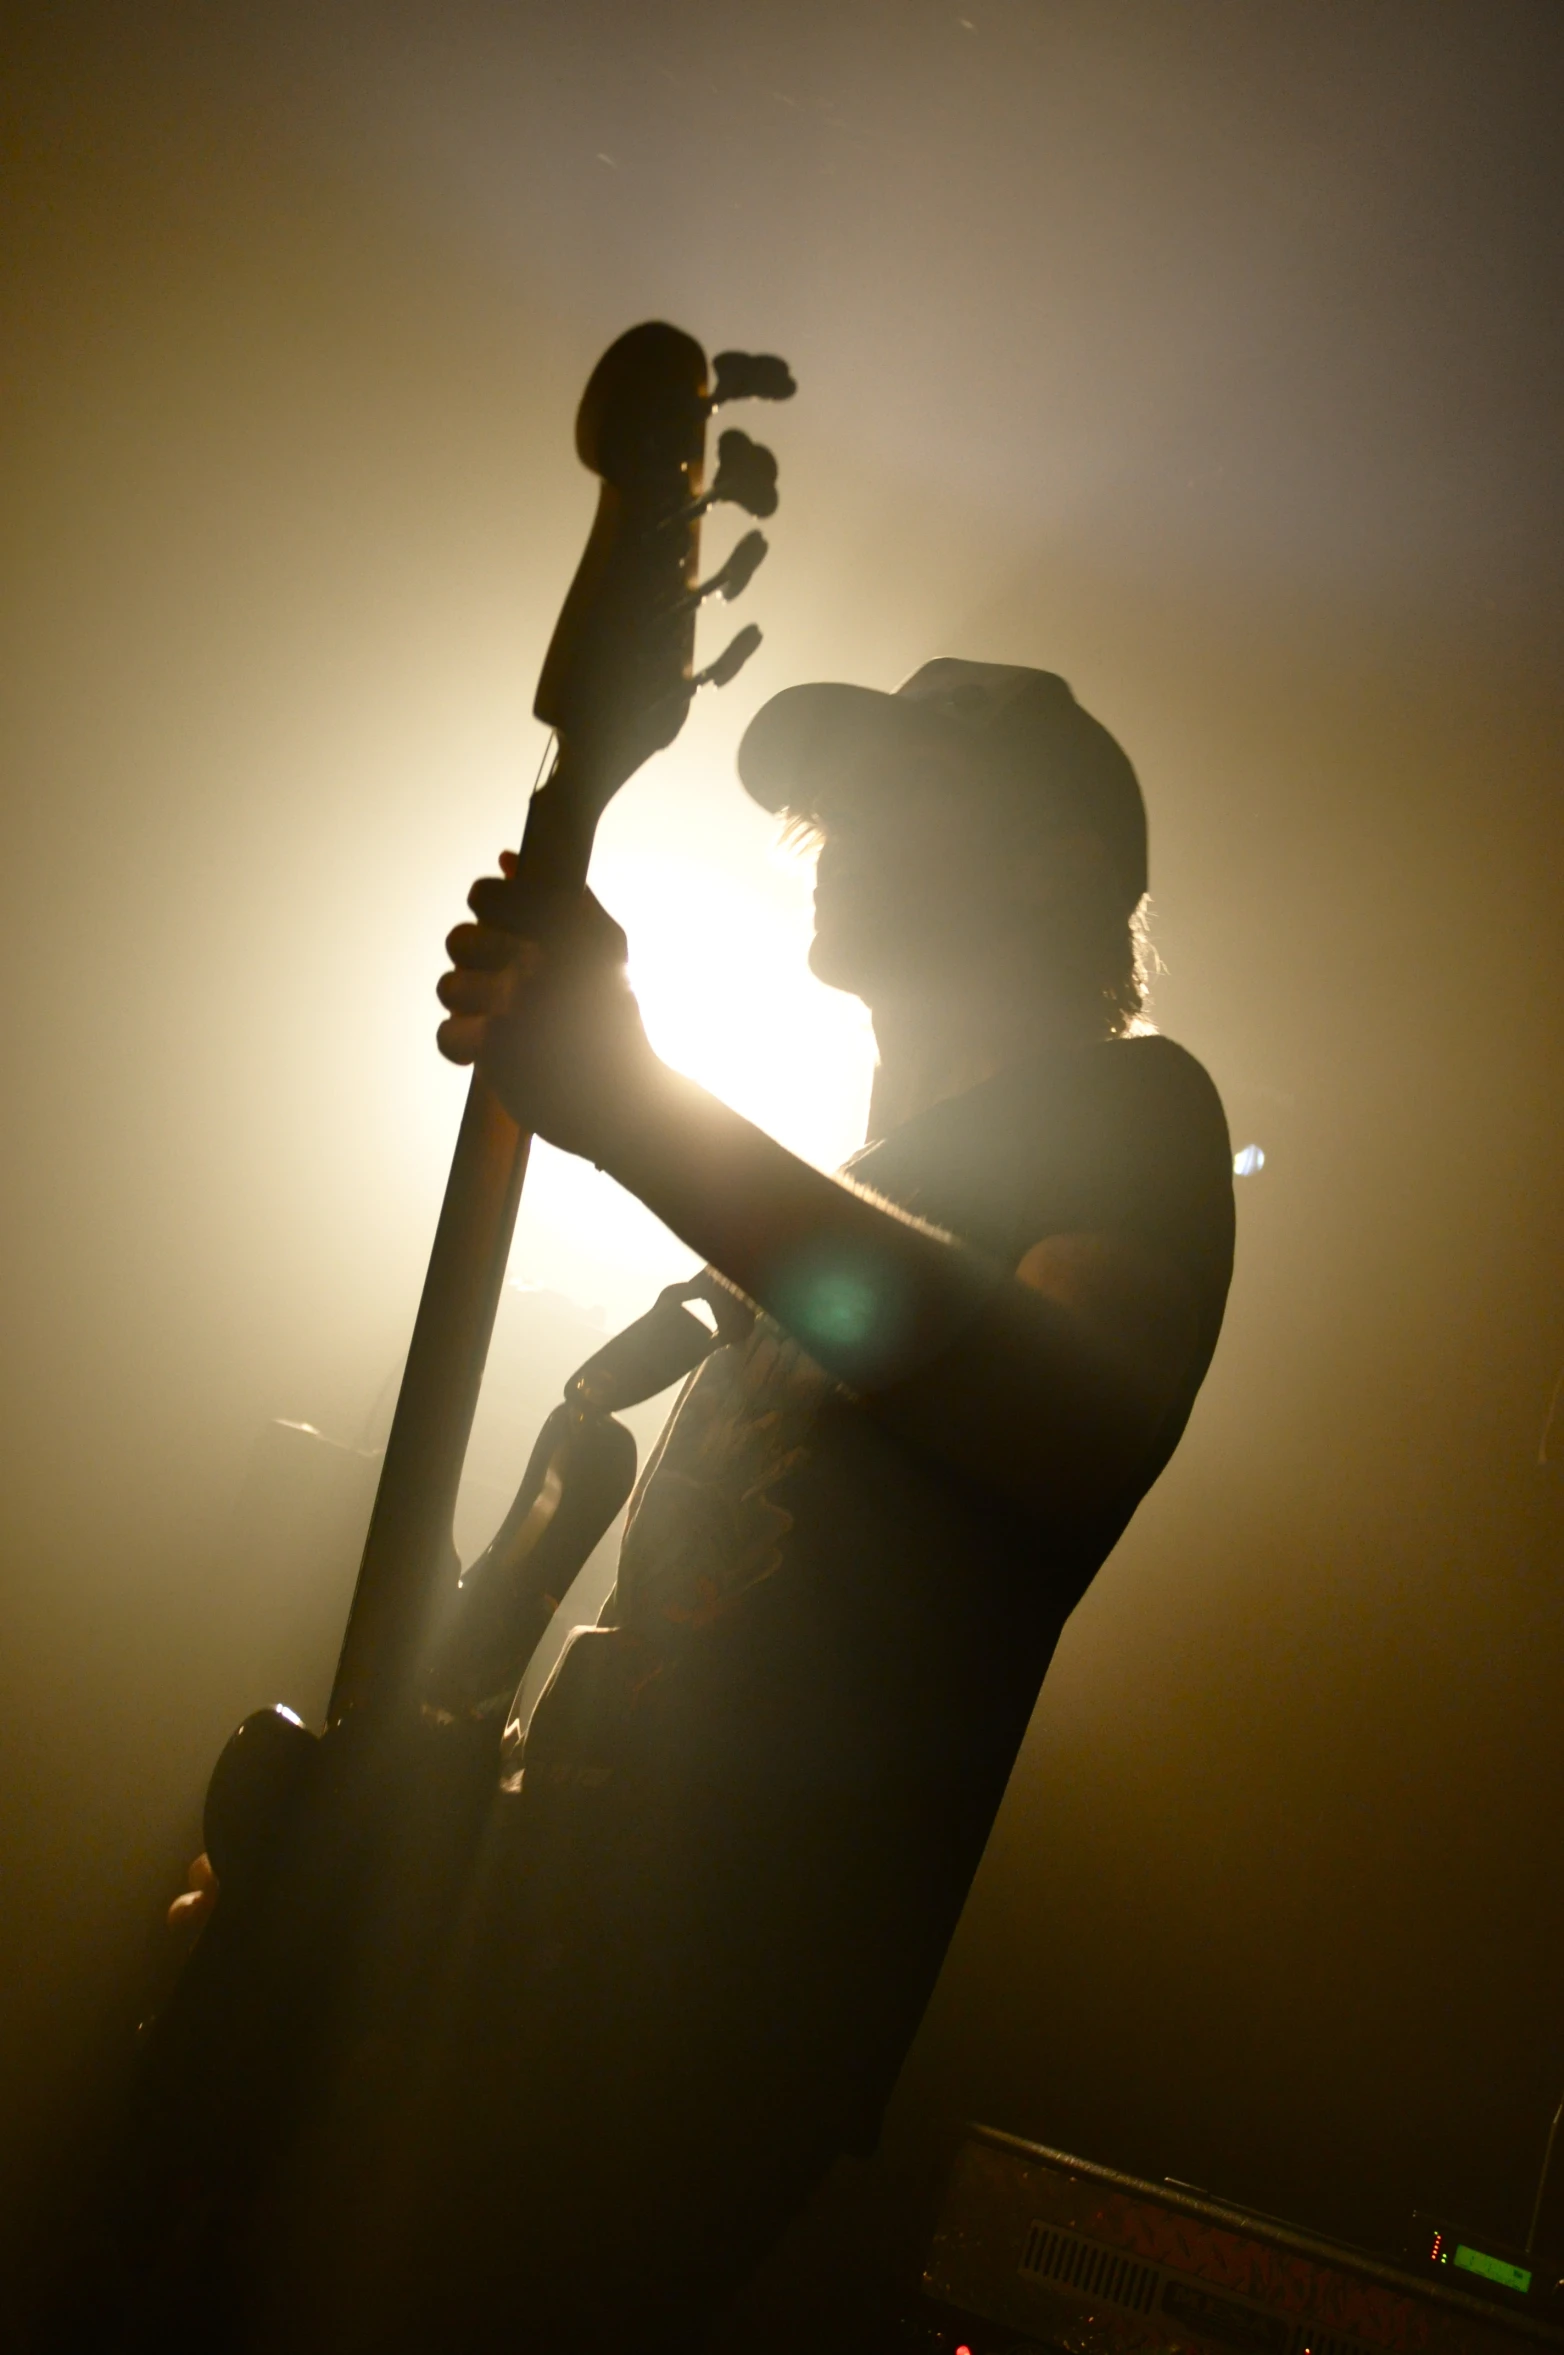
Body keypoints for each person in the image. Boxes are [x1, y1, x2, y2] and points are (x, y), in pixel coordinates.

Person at [405, 657, 1236, 2349]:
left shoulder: (1141, 1109)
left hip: (715, 2005)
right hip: (536, 1940)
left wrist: (641, 1109)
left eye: (900, 786)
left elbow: (1061, 1417)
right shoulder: (836, 1200)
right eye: (827, 797)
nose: (834, 831)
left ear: (1051, 862)